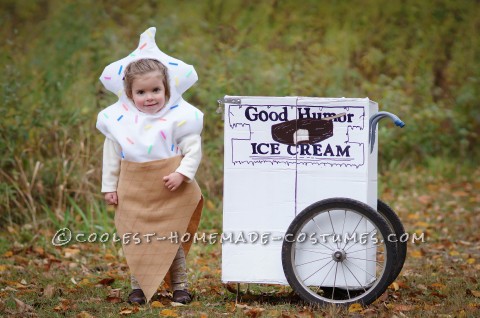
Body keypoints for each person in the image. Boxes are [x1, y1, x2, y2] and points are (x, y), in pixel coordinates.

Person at [97, 57, 203, 305]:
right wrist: (109, 187)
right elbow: (111, 157)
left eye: (156, 90)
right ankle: (139, 288)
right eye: (141, 92)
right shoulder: (120, 124)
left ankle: (180, 287)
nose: (150, 97)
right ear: (130, 94)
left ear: (166, 89)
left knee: (171, 240)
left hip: (170, 191)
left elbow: (193, 149)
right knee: (136, 240)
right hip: (134, 190)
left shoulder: (177, 119)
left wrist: (182, 173)